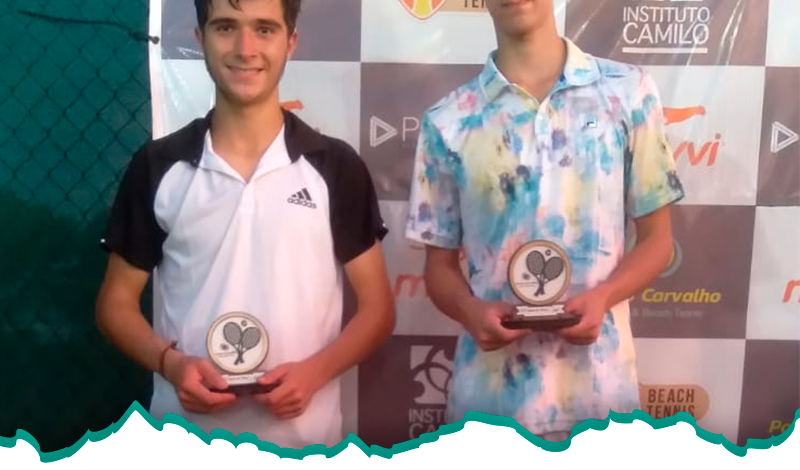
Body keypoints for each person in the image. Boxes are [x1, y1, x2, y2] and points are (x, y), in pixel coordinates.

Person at [95, 0, 395, 449]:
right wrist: (171, 364)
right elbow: (114, 306)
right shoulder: (158, 165)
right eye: (225, 28)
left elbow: (378, 310)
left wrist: (315, 373)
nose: (245, 48)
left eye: (265, 29)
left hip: (304, 445)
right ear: (200, 39)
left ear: (291, 42)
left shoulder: (335, 167)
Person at [405, 0, 685, 442]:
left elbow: (657, 242)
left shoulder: (628, 93)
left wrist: (604, 297)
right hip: (488, 409)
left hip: (601, 402)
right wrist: (470, 311)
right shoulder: (448, 121)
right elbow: (438, 268)